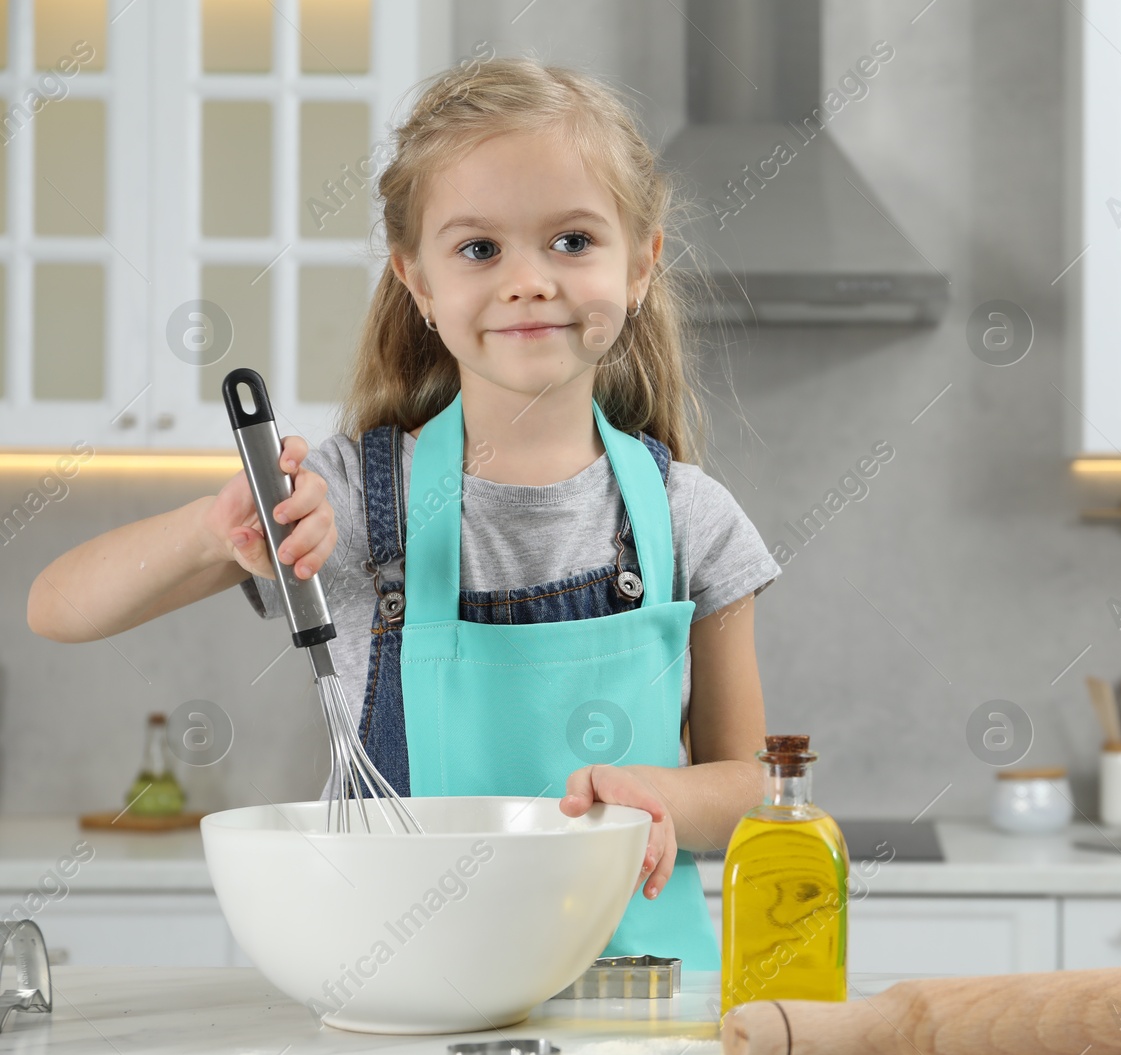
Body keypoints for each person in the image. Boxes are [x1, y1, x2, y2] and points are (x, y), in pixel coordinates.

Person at [26, 55, 782, 970]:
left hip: (639, 1005)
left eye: (573, 241)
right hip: (408, 1000)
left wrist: (657, 793)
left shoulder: (689, 518)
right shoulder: (343, 502)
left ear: (641, 265)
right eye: (478, 249)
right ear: (418, 281)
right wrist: (216, 526)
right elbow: (58, 608)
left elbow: (751, 786)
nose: (529, 280)